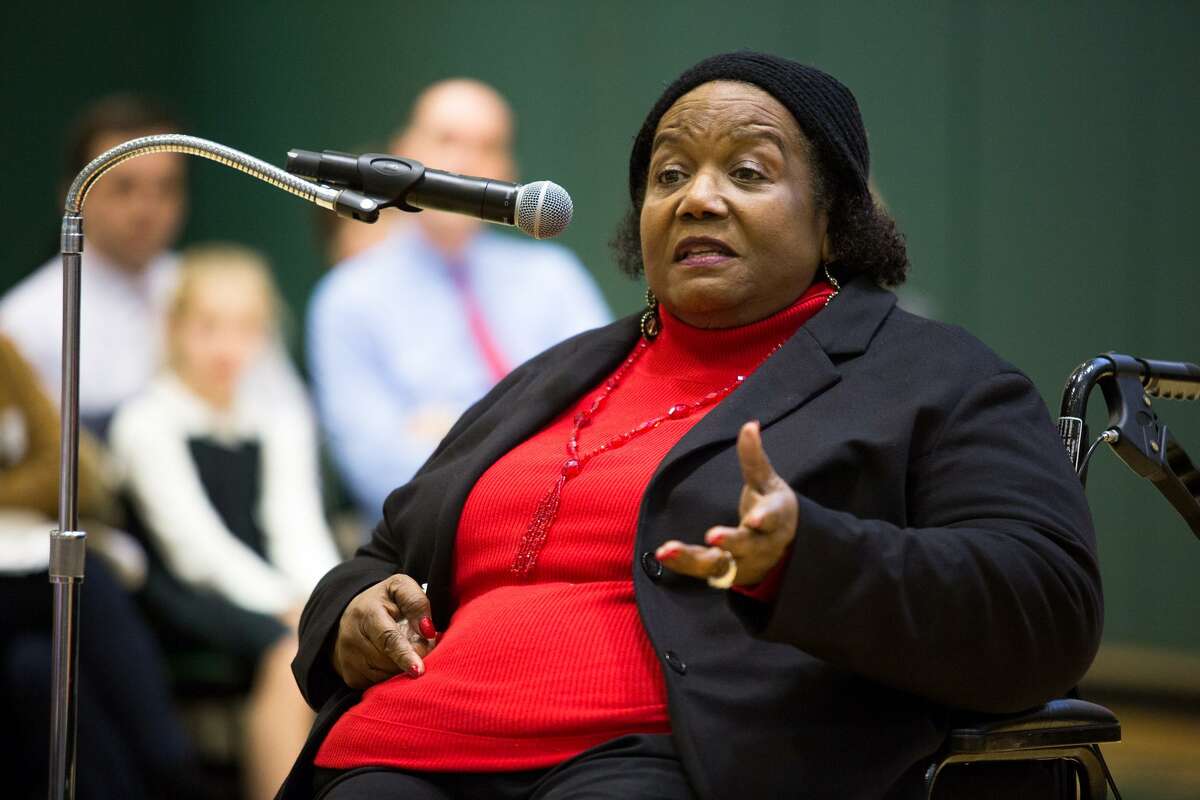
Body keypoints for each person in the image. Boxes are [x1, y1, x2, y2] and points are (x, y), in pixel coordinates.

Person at [279, 53, 1103, 800]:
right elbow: (379, 556)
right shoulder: (554, 375)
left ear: (832, 217)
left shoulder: (931, 375)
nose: (697, 196)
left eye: (747, 172)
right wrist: (350, 618)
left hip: (660, 761)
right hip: (401, 750)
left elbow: (1048, 604)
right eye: (670, 174)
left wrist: (810, 560)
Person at [307, 78, 611, 520]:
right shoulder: (348, 298)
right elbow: (378, 474)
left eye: (488, 146)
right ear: (399, 155)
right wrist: (532, 438)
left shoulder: (554, 278)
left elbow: (604, 417)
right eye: (446, 140)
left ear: (509, 170)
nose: (466, 162)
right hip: (428, 552)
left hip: (566, 524)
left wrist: (452, 431)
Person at [108, 245, 341, 800]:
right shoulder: (146, 422)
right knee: (291, 653)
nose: (226, 347)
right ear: (175, 328)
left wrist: (326, 602)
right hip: (183, 597)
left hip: (275, 595)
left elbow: (296, 526)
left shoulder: (279, 416)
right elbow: (195, 550)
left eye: (244, 328)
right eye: (208, 326)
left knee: (329, 643)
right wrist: (285, 608)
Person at [0, 93, 309, 438]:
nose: (146, 209)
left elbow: (287, 409)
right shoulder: (24, 322)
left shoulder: (220, 294)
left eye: (166, 188)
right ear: (72, 195)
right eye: (124, 188)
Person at [0, 334, 208, 800]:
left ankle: (152, 776)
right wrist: (24, 485)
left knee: (36, 668)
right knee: (83, 584)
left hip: (23, 559)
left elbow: (67, 467)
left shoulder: (4, 352)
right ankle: (173, 772)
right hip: (21, 575)